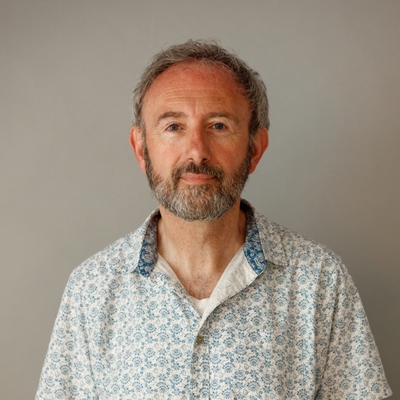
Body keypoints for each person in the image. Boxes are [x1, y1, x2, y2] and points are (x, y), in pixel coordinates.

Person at [36, 40, 392, 399]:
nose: (196, 151)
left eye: (219, 125)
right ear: (141, 149)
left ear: (255, 148)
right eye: (174, 126)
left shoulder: (319, 281)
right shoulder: (91, 290)